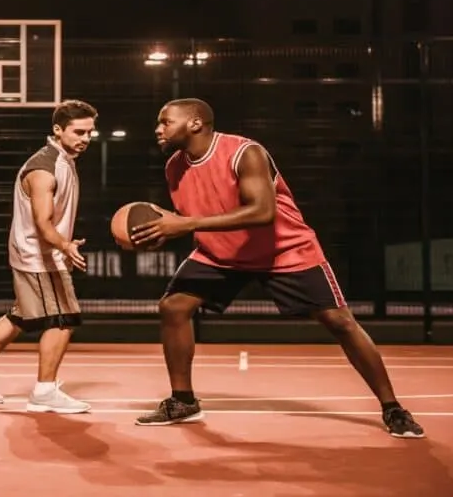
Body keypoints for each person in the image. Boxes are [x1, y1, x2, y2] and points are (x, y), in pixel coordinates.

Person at [129, 97, 425, 439]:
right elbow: (198, 214)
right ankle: (183, 401)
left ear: (195, 123)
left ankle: (393, 408)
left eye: (166, 121)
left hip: (282, 250)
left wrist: (185, 224)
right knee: (174, 306)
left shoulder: (245, 153)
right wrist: (162, 231)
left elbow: (261, 212)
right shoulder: (174, 167)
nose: (158, 129)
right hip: (222, 253)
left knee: (340, 322)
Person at [0, 99, 97, 414]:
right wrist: (64, 246)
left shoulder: (62, 159)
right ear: (58, 130)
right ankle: (44, 391)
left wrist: (62, 244)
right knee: (62, 319)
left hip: (36, 252)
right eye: (79, 131)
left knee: (21, 314)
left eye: (90, 132)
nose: (85, 138)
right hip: (38, 255)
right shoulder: (45, 168)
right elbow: (43, 223)